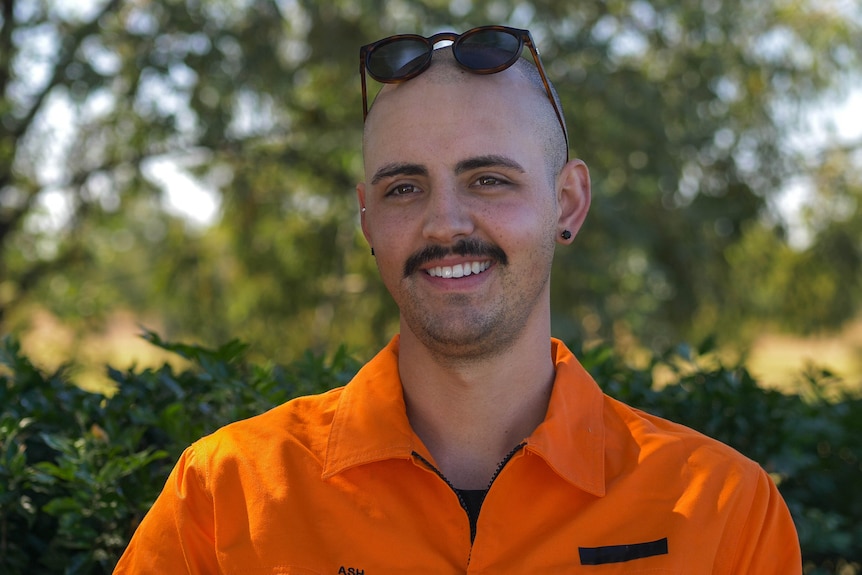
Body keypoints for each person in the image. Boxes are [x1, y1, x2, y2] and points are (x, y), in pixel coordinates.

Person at [114, 26, 801, 573]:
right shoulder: (225, 492)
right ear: (367, 222)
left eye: (489, 180)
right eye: (403, 188)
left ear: (568, 201)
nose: (444, 224)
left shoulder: (724, 510)